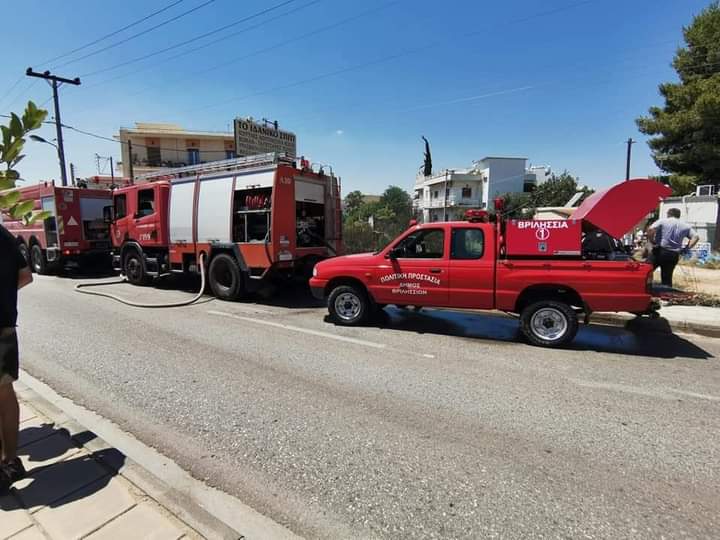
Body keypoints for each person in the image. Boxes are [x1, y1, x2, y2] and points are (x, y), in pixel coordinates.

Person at [0, 223, 33, 493]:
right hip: (4, 326)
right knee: (4, 392)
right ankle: (10, 461)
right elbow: (25, 275)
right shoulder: (3, 236)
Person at [648, 208, 699, 287]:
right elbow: (695, 237)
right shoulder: (685, 226)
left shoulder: (663, 221)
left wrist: (652, 241)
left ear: (668, 214)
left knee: (647, 271)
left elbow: (651, 229)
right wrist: (686, 248)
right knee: (667, 277)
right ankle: (666, 294)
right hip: (673, 254)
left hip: (660, 250)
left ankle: (645, 288)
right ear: (678, 215)